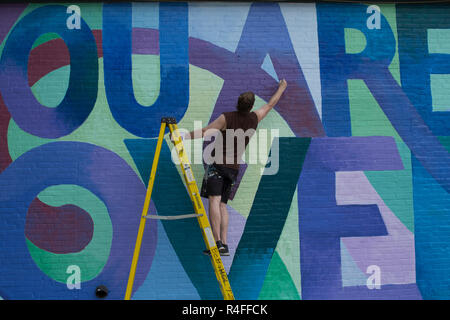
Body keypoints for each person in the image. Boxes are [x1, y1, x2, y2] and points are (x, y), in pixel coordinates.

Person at [177, 79, 287, 256]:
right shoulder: (254, 118)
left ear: (238, 103)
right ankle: (225, 244)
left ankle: (217, 243)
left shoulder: (226, 118)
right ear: (251, 107)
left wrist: (184, 137)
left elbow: (206, 132)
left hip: (218, 166)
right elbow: (270, 105)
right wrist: (282, 87)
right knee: (222, 205)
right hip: (233, 170)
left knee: (214, 201)